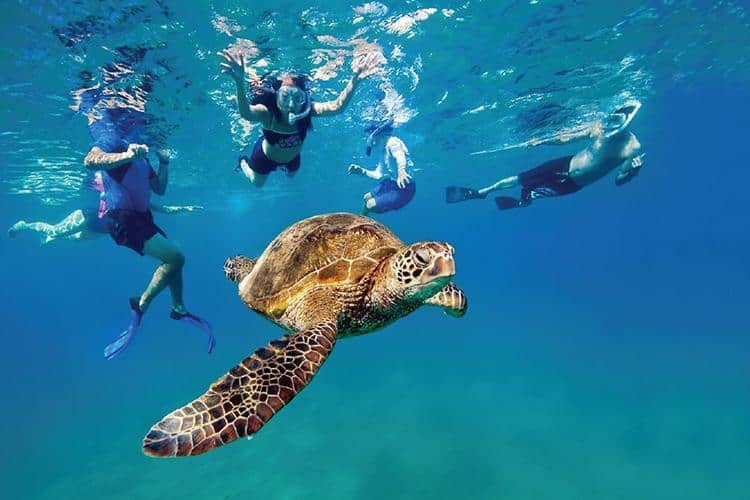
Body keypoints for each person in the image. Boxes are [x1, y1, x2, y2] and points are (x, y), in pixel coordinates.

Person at [83, 107, 214, 359]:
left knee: (174, 260)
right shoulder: (114, 141)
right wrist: (126, 155)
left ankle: (178, 308)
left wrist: (164, 162)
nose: (141, 126)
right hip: (123, 220)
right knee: (176, 257)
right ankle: (141, 303)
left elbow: (160, 188)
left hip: (142, 219)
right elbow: (90, 161)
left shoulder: (142, 154)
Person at [218, 49, 380, 187]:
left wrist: (354, 81)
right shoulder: (268, 115)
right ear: (276, 97)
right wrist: (239, 82)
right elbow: (246, 113)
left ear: (304, 97)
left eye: (297, 98)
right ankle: (243, 162)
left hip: (292, 158)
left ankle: (282, 166)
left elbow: (336, 107)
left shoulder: (307, 110)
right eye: (285, 97)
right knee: (257, 183)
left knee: (291, 175)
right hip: (266, 156)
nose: (291, 105)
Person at [446, 101, 646, 210]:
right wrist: (542, 141)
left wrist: (633, 172)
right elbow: (568, 138)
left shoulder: (632, 148)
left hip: (573, 184)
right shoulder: (601, 128)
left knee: (531, 192)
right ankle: (482, 192)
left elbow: (619, 180)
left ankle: (523, 202)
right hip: (565, 164)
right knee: (521, 178)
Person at [8, 171, 203, 245]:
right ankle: (26, 225)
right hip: (87, 218)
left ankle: (51, 238)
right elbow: (104, 192)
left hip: (102, 230)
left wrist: (186, 208)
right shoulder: (119, 194)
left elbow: (165, 209)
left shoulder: (140, 204)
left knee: (75, 240)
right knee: (55, 232)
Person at [347, 120, 416, 214]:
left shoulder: (393, 142)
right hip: (392, 182)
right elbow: (378, 174)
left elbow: (399, 155)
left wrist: (401, 170)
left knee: (370, 205)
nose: (371, 143)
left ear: (376, 134)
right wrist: (361, 171)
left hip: (405, 187)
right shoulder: (384, 150)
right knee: (366, 197)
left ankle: (361, 219)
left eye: (369, 137)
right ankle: (362, 217)